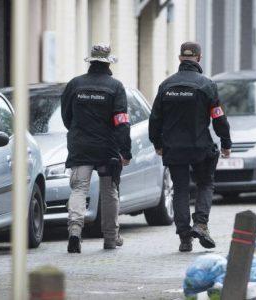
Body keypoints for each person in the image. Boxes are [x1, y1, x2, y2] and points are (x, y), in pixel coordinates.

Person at [149, 42, 232, 252]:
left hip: (174, 148)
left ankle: (185, 238)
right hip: (200, 147)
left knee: (180, 190)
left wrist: (157, 143)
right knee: (205, 183)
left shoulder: (166, 85)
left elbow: (155, 119)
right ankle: (201, 224)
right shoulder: (206, 85)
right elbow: (218, 117)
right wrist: (225, 142)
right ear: (199, 58)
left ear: (180, 59)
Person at [61, 44, 132, 253]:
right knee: (109, 191)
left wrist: (78, 131)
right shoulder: (116, 87)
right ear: (108, 62)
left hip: (80, 146)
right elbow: (121, 121)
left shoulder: (75, 85)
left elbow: (66, 117)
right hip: (107, 149)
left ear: (91, 61)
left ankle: (75, 231)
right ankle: (110, 238)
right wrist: (125, 151)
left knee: (79, 188)